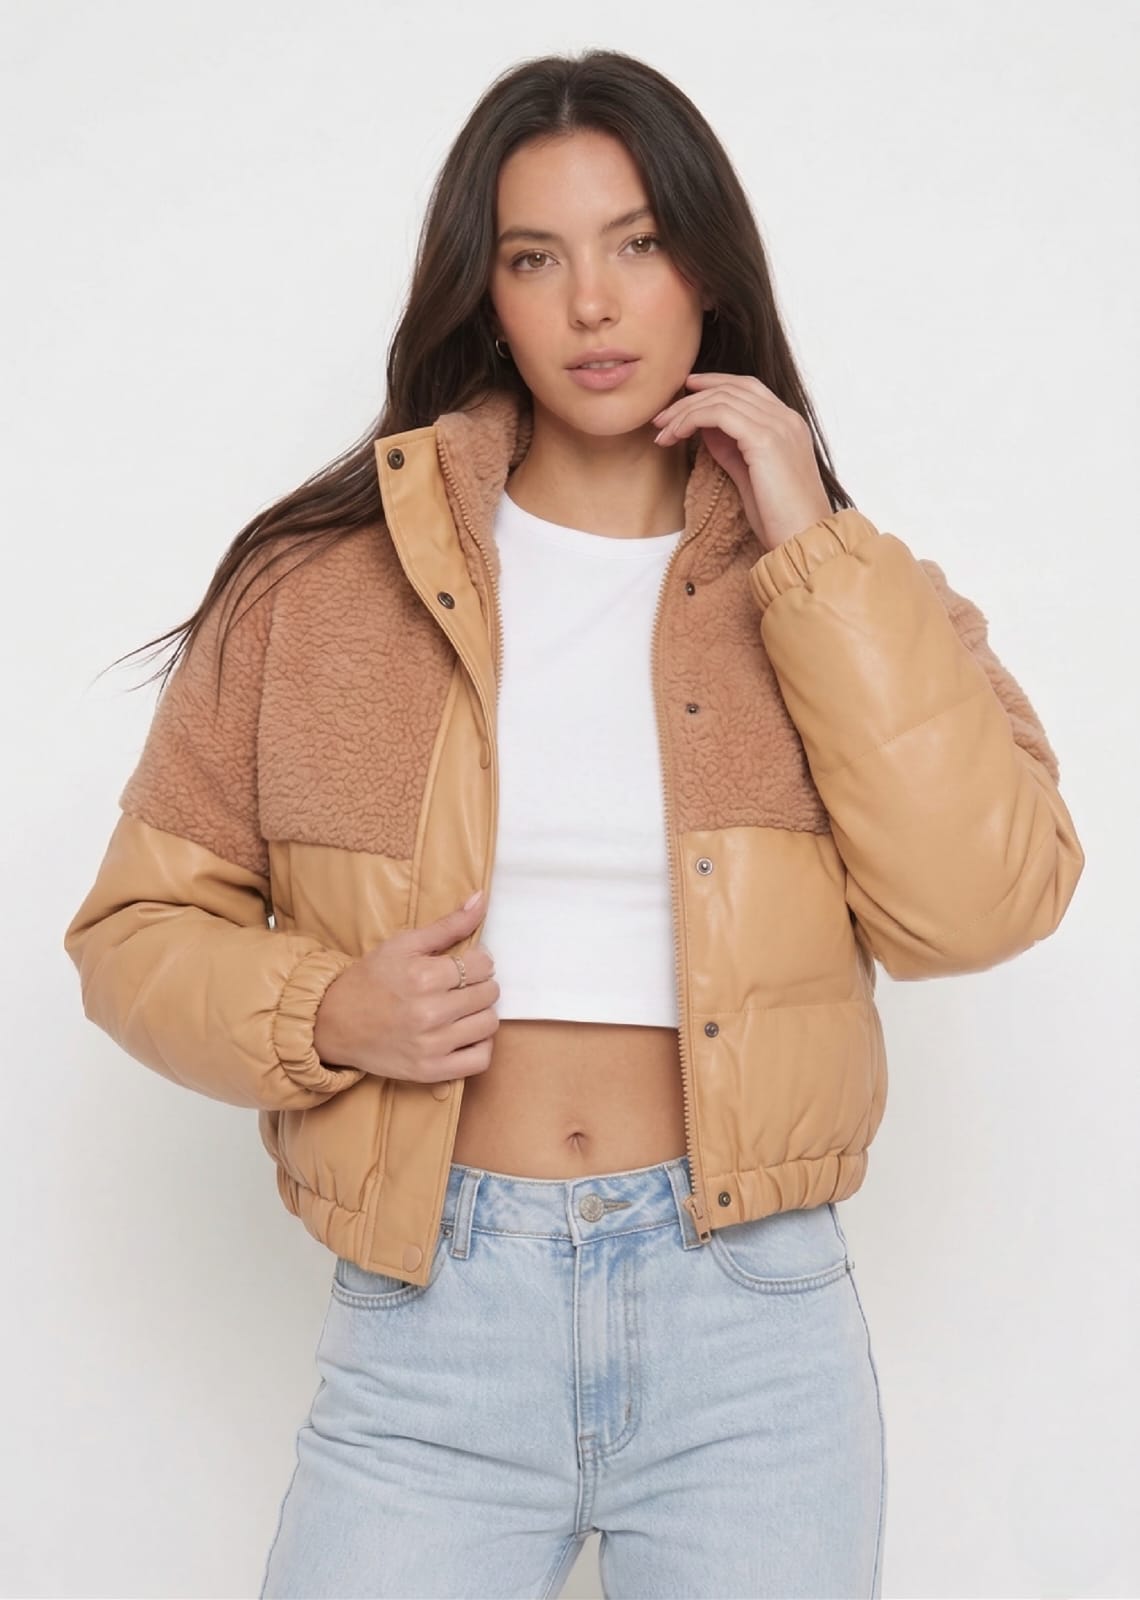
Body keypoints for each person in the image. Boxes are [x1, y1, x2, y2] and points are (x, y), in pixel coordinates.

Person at [63, 47, 1084, 1600]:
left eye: (637, 243)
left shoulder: (846, 590)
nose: (592, 305)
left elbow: (982, 903)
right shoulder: (320, 592)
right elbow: (133, 933)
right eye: (536, 257)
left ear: (708, 270)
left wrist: (809, 542)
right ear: (485, 291)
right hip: (433, 1329)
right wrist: (325, 1009)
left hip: (752, 1337)